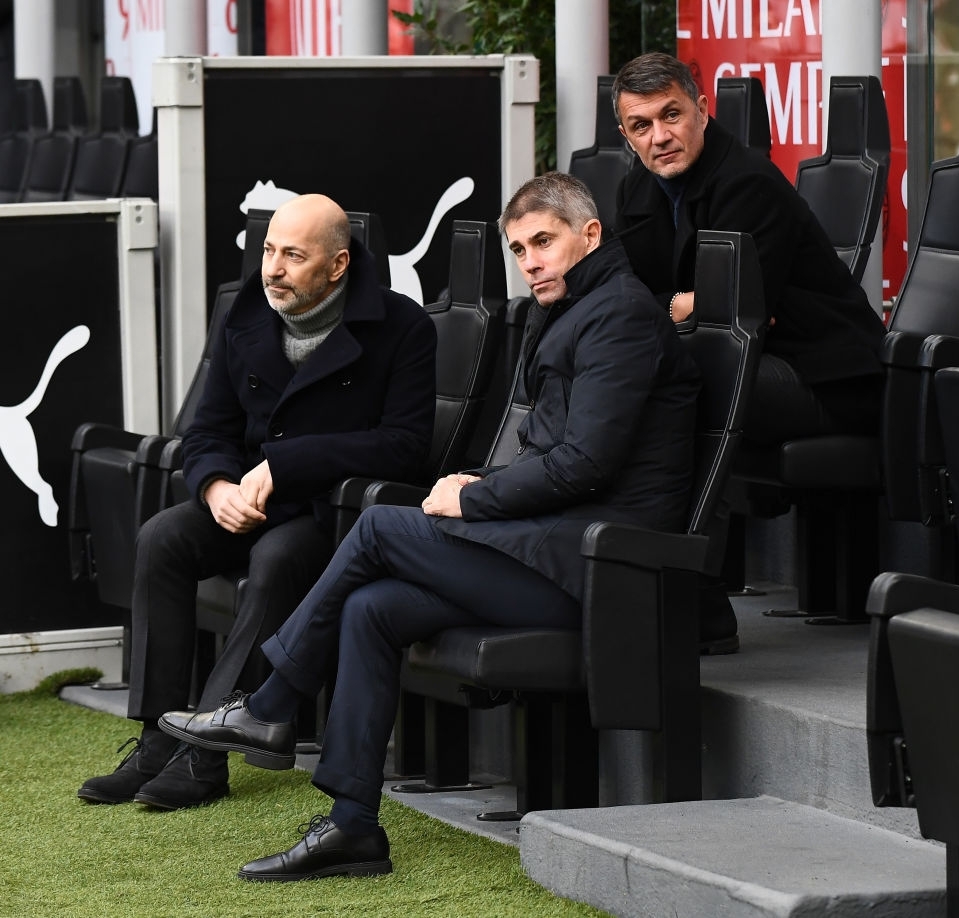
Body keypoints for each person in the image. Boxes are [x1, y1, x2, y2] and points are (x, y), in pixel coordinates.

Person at [156, 172, 701, 881]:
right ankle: (352, 826)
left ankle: (269, 702)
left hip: (603, 570)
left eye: (544, 241)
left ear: (590, 235)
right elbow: (564, 459)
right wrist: (483, 486)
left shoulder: (620, 316)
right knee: (371, 608)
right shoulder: (574, 310)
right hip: (555, 548)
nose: (531, 260)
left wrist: (473, 501)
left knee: (382, 529)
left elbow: (585, 465)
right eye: (519, 248)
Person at [77, 194, 437, 811]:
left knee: (276, 560)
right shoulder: (245, 313)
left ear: (338, 264)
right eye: (269, 251)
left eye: (293, 256)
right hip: (244, 496)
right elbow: (206, 429)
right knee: (162, 538)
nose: (272, 268)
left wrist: (288, 464)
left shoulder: (403, 327)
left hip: (333, 512)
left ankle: (204, 753)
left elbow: (403, 448)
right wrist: (215, 486)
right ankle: (156, 739)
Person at [612, 52, 887, 446]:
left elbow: (731, 314)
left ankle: (654, 509)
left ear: (702, 111)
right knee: (605, 359)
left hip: (822, 378)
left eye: (671, 115)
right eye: (642, 125)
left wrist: (661, 307)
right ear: (626, 135)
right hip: (735, 362)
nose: (659, 136)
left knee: (660, 378)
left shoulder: (747, 182)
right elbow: (617, 297)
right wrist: (679, 305)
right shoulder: (636, 187)